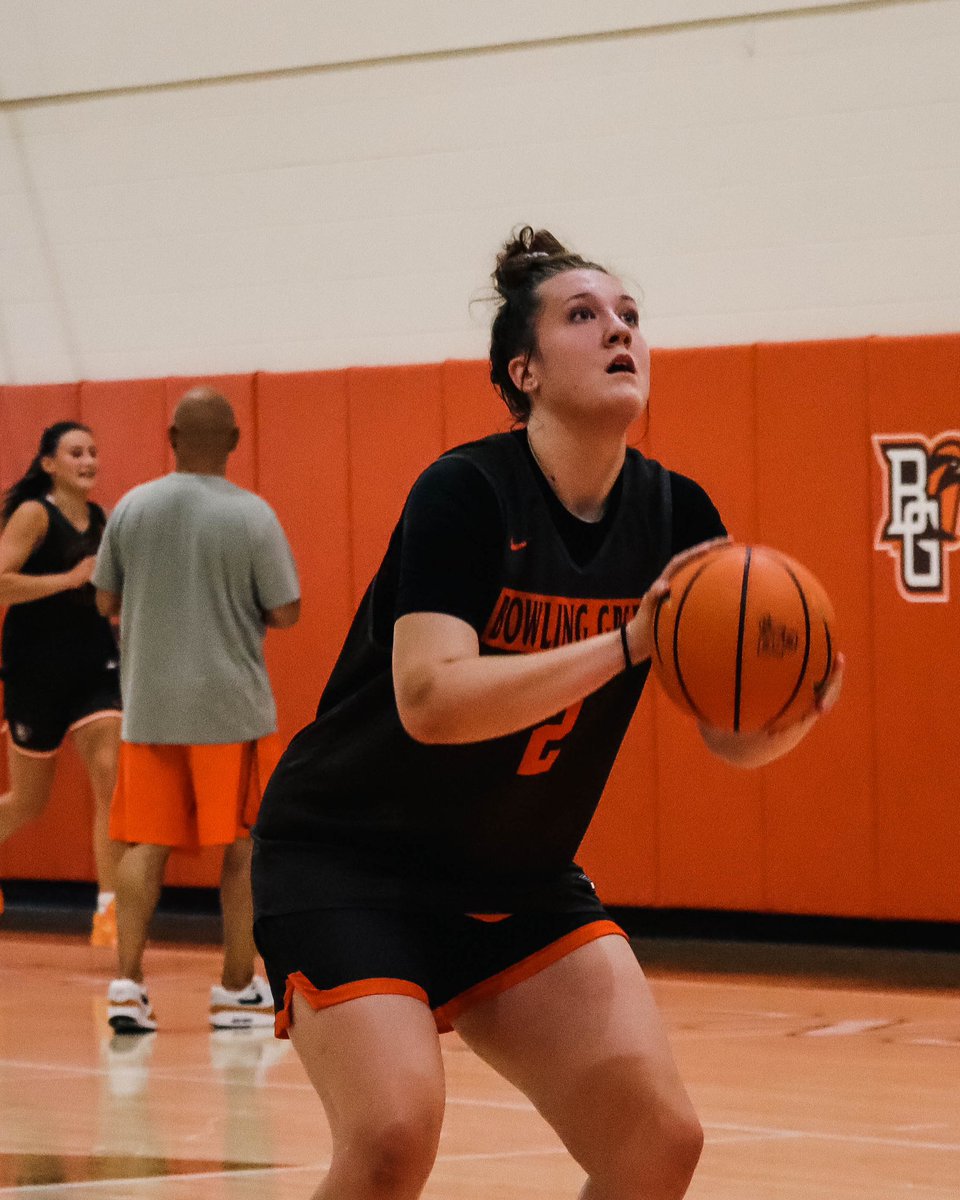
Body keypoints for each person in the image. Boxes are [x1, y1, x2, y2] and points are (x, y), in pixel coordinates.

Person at [251, 227, 843, 1200]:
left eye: (630, 318)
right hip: (349, 861)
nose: (619, 331)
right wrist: (622, 644)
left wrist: (794, 708)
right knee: (394, 1134)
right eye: (584, 316)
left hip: (515, 879)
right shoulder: (467, 493)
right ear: (522, 369)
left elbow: (729, 737)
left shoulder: (677, 518)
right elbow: (430, 702)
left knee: (659, 1144)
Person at [93, 387, 300, 1034]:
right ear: (235, 442)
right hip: (230, 711)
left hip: (150, 709)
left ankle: (127, 984)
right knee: (240, 849)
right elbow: (287, 610)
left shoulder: (131, 507)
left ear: (172, 436)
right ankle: (236, 988)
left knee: (144, 845)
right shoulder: (254, 516)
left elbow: (104, 601)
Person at [0, 421, 123, 946]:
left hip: (95, 668)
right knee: (28, 803)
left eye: (94, 451)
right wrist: (67, 580)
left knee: (110, 775)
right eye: (76, 452)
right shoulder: (34, 515)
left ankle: (109, 909)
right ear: (49, 463)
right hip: (35, 674)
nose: (88, 460)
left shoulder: (101, 518)